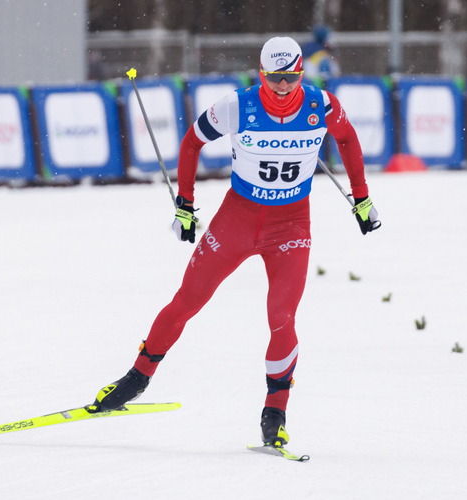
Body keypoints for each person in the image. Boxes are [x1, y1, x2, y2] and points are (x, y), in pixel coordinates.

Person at [88, 36, 380, 448]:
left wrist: (362, 197)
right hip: (237, 219)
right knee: (188, 300)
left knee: (282, 316)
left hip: (291, 226)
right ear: (262, 74)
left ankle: (274, 412)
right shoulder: (236, 106)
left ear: (301, 71)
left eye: (291, 76)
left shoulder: (321, 105)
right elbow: (192, 142)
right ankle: (137, 377)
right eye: (275, 77)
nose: (283, 85)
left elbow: (348, 140)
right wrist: (185, 205)